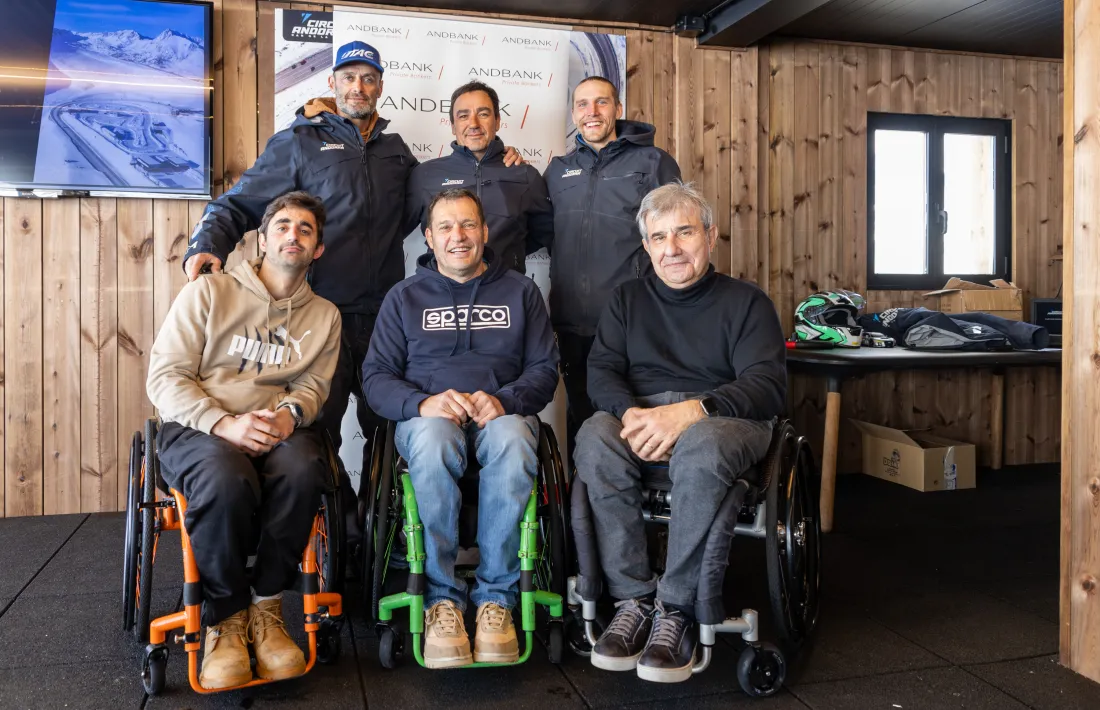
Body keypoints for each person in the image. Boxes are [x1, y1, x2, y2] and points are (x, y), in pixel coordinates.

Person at [182, 41, 526, 527]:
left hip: (388, 316)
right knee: (318, 430)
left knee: (392, 429)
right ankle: (335, 533)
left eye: (368, 78)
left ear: (381, 86)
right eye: (348, 77)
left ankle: (378, 533)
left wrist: (494, 160)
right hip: (319, 317)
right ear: (333, 84)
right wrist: (207, 246)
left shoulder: (397, 153)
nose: (358, 87)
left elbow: (445, 201)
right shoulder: (299, 142)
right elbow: (238, 203)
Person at [573, 183, 786, 683]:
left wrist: (691, 412)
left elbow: (766, 384)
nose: (671, 249)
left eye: (684, 232)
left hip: (725, 422)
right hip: (641, 419)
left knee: (701, 443)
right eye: (658, 237)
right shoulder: (627, 300)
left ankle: (678, 609)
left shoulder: (747, 303)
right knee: (592, 436)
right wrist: (631, 416)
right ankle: (633, 601)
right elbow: (602, 370)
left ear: (710, 236)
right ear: (646, 246)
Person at [146, 191, 342, 690]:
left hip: (276, 427)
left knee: (304, 470)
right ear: (262, 236)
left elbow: (313, 387)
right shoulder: (208, 293)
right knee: (225, 476)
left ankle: (266, 607)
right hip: (199, 427)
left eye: (305, 229)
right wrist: (222, 423)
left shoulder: (325, 316)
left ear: (318, 249)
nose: (292, 235)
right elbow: (166, 377)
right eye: (282, 226)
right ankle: (225, 619)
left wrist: (288, 416)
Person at [362, 189, 559, 668]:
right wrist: (423, 402)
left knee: (513, 438)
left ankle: (497, 602)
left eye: (468, 225)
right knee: (433, 437)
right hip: (430, 421)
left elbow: (544, 370)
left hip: (501, 415)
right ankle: (441, 602)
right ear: (428, 238)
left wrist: (505, 400)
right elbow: (376, 378)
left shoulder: (521, 291)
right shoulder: (403, 297)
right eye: (446, 227)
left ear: (485, 232)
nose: (458, 236)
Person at [543, 75, 682, 459]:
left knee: (633, 423)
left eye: (602, 102)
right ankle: (582, 514)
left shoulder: (653, 162)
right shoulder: (557, 171)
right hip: (572, 324)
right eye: (583, 104)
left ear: (618, 110)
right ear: (574, 113)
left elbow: (676, 240)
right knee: (584, 421)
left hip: (632, 322)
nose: (592, 112)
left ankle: (633, 511)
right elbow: (536, 231)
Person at [406, 80, 553, 274]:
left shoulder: (525, 174)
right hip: (440, 293)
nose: (473, 124)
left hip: (505, 290)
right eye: (463, 116)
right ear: (452, 125)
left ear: (498, 121)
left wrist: (511, 256)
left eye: (483, 114)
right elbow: (393, 230)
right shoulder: (424, 175)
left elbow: (542, 234)